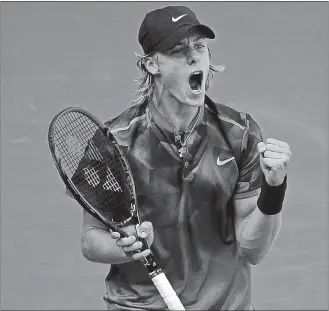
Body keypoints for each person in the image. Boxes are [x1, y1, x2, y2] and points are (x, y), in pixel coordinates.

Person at [80, 6, 292, 310]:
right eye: (179, 51)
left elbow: (253, 250)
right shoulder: (115, 143)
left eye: (200, 47)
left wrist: (274, 190)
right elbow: (91, 240)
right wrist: (127, 248)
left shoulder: (239, 135)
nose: (195, 57)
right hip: (141, 305)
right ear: (153, 64)